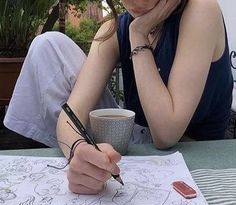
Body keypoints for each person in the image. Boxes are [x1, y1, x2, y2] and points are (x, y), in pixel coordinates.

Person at [4, 0, 233, 194]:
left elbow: (166, 133)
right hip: (128, 144)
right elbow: (71, 114)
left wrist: (138, 33)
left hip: (191, 150)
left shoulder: (201, 9)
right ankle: (89, 164)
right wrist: (78, 149)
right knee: (48, 45)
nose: (136, 2)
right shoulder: (114, 29)